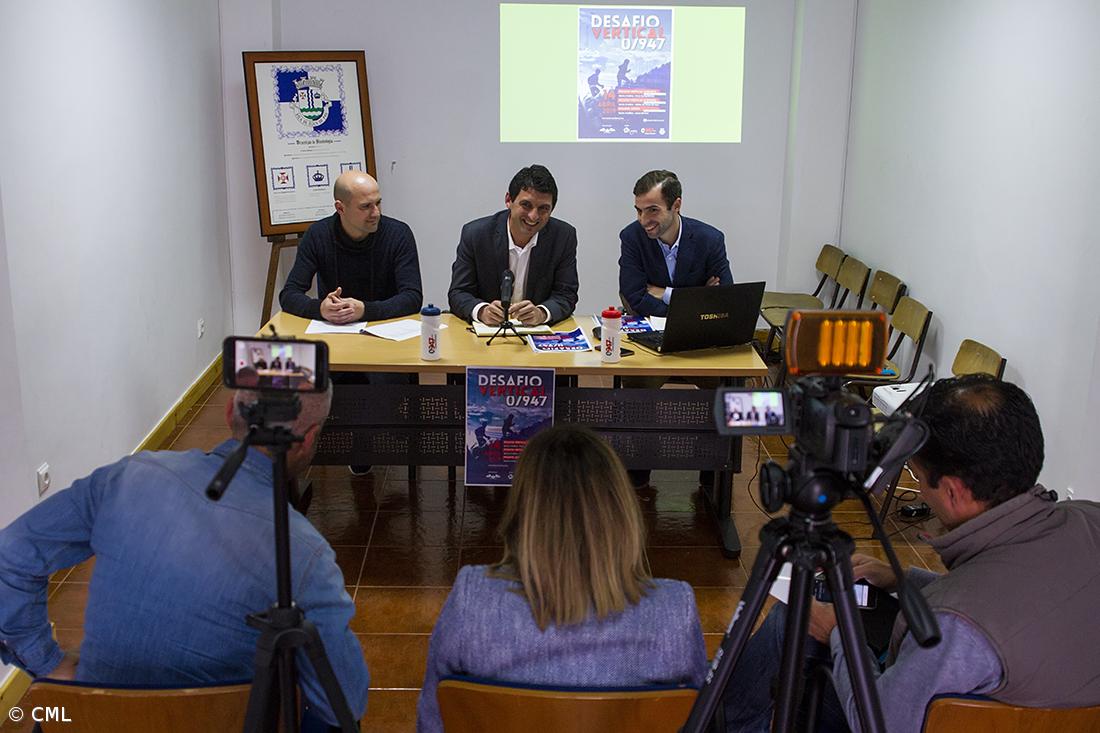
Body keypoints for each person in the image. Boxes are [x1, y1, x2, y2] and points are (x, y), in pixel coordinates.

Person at [723, 374, 1100, 732]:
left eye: (918, 476)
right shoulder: (1087, 518)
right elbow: (1014, 604)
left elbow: (877, 722)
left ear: (952, 491)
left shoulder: (956, 624)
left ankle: (729, 723)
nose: (919, 492)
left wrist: (837, 632)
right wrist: (900, 578)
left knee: (792, 620)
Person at [0, 386, 369, 729]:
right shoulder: (305, 552)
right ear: (307, 440)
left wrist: (50, 665)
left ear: (229, 412)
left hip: (87, 718)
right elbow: (344, 701)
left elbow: (10, 556)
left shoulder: (128, 476)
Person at [416, 425, 707, 733]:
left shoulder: (471, 601)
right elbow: (702, 717)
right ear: (621, 512)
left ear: (523, 512)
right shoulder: (675, 612)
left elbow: (432, 722)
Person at [280, 170, 423, 324]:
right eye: (366, 206)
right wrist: (320, 308)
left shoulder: (398, 234)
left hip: (387, 328)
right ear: (340, 208)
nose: (376, 213)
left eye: (378, 203)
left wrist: (364, 310)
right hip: (336, 331)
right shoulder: (318, 235)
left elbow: (412, 298)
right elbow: (289, 294)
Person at [447, 164, 579, 327]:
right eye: (526, 205)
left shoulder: (563, 236)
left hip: (536, 335)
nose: (533, 216)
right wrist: (482, 311)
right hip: (487, 334)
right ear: (509, 200)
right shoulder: (476, 234)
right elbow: (459, 292)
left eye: (543, 208)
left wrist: (541, 313)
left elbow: (566, 294)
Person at [619, 169, 733, 318]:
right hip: (652, 331)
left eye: (653, 210)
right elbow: (634, 297)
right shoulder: (632, 237)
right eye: (639, 211)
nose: (643, 220)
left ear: (676, 205)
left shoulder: (710, 240)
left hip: (701, 334)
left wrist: (664, 293)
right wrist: (698, 300)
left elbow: (724, 299)